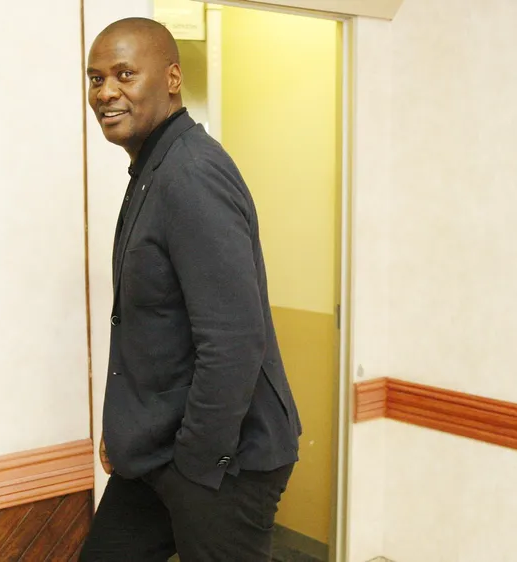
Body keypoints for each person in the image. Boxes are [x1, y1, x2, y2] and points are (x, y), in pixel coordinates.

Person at [80, 18, 302, 561]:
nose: (106, 92)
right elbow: (157, 329)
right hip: (160, 450)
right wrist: (127, 428)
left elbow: (234, 342)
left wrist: (197, 465)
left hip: (222, 461)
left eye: (125, 74)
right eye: (96, 78)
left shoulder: (192, 172)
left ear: (173, 78)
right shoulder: (154, 168)